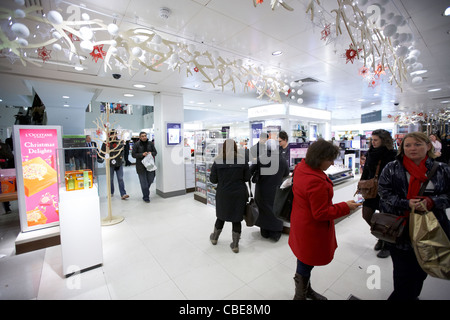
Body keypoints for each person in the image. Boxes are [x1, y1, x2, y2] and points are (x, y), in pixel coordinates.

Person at [378, 132, 450, 300]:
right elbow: (384, 192)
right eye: (407, 145)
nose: (412, 148)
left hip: (430, 229)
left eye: (417, 144)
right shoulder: (392, 168)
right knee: (402, 271)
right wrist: (406, 203)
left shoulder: (442, 170)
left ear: (428, 146)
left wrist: (433, 201)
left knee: (421, 268)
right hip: (400, 228)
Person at [289, 139, 362, 300]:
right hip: (312, 228)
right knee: (306, 261)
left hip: (301, 222)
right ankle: (300, 295)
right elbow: (320, 213)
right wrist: (346, 206)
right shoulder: (316, 181)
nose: (331, 163)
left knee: (303, 258)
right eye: (329, 159)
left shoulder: (302, 168)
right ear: (320, 158)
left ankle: (304, 290)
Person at [360, 129, 397, 258]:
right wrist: (362, 184)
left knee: (385, 218)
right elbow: (366, 170)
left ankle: (386, 243)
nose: (373, 142)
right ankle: (380, 236)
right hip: (371, 189)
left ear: (384, 140)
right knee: (366, 215)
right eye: (372, 140)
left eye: (376, 140)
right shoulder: (370, 153)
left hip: (386, 191)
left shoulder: (391, 155)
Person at [209, 139, 250, 253]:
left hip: (223, 193)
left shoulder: (218, 161)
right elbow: (247, 177)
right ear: (236, 147)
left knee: (221, 216)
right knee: (237, 218)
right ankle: (235, 245)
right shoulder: (242, 160)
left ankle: (214, 238)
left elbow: (213, 179)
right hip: (238, 194)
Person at [250, 139, 289, 241]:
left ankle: (265, 231)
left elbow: (250, 171)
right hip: (276, 190)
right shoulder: (282, 159)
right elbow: (286, 173)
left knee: (263, 210)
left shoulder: (260, 158)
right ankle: (275, 233)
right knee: (276, 210)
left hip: (262, 190)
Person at [101, 130, 129, 200]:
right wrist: (104, 157)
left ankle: (123, 193)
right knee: (110, 179)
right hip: (110, 164)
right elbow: (102, 152)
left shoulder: (120, 142)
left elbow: (122, 151)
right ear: (109, 135)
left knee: (120, 178)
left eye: (115, 134)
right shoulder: (106, 143)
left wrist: (121, 157)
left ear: (116, 135)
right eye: (112, 134)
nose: (113, 136)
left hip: (119, 163)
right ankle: (111, 192)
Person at [132, 132, 157, 203]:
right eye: (142, 136)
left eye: (145, 136)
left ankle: (145, 190)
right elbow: (133, 154)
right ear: (140, 137)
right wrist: (142, 154)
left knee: (151, 179)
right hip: (141, 166)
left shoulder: (150, 143)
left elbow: (155, 152)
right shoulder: (136, 144)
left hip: (150, 165)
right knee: (144, 183)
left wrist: (151, 153)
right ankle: (146, 197)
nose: (144, 137)